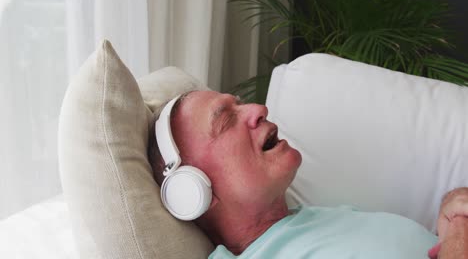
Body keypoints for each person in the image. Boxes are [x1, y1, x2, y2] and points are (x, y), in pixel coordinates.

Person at [148, 90, 468, 259]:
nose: (258, 109)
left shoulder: (327, 219)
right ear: (190, 191)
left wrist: (452, 210)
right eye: (226, 121)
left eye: (241, 104)